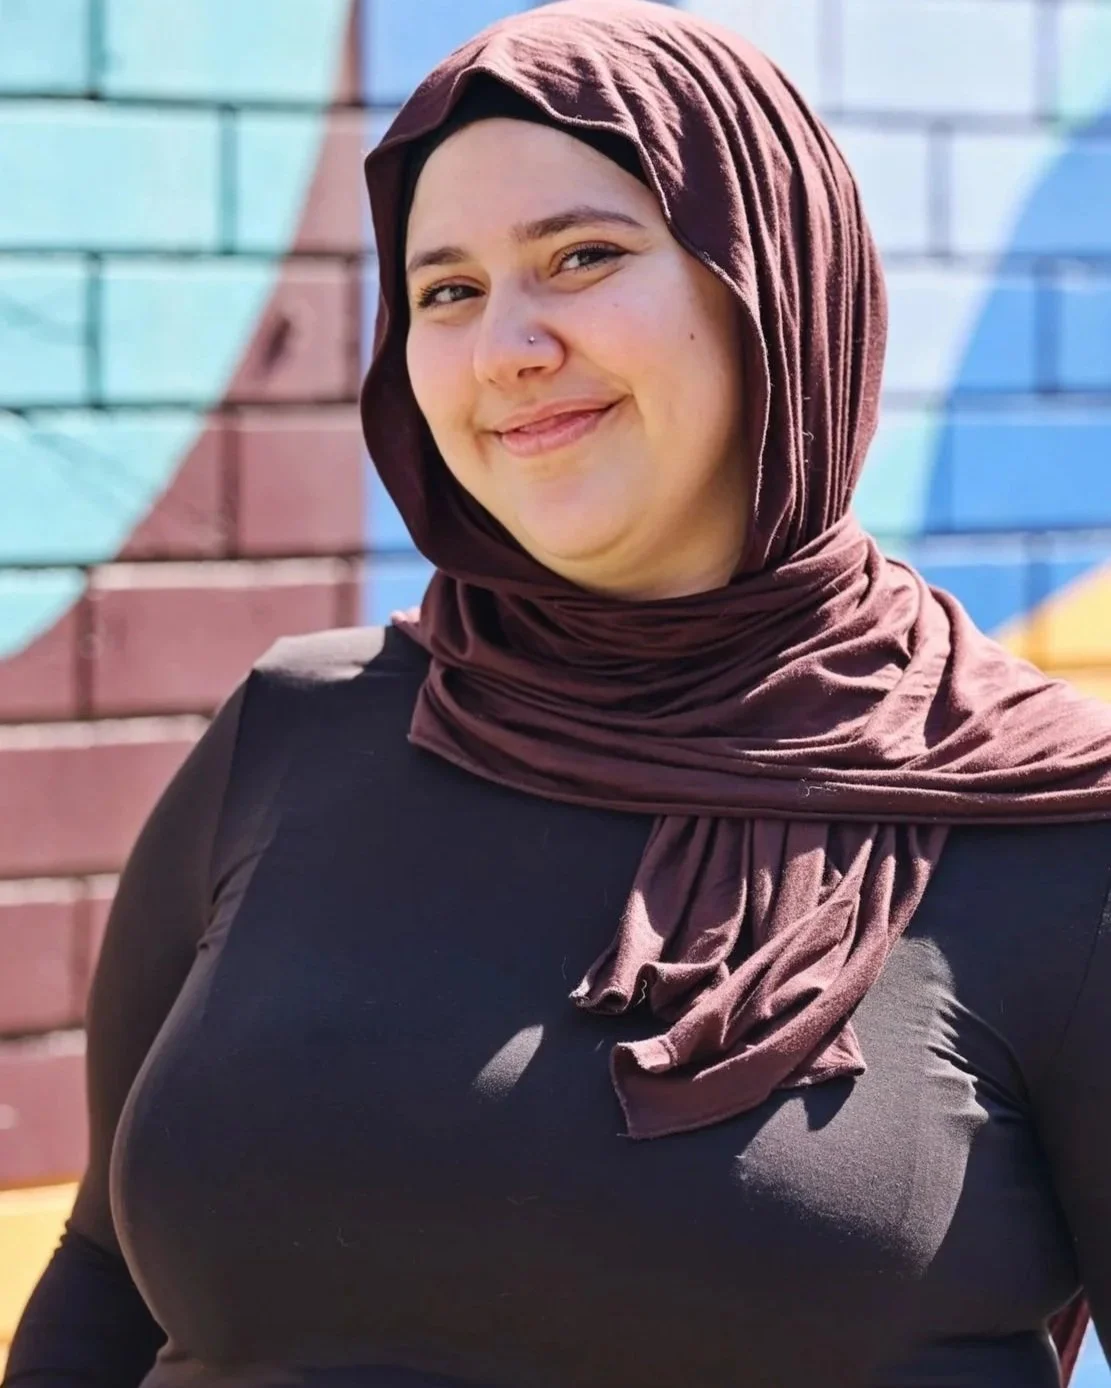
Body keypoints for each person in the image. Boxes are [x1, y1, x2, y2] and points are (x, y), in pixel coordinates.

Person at [5, 2, 1111, 1385]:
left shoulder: (1053, 831)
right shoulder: (292, 737)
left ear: (769, 276)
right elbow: (106, 1285)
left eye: (581, 257)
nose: (502, 351)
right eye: (445, 290)